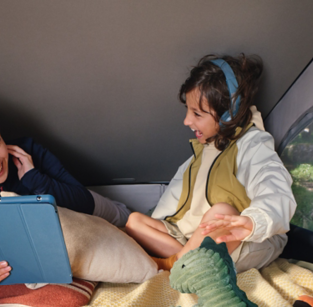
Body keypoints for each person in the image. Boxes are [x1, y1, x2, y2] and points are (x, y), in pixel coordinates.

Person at [0, 78, 130, 289]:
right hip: (59, 236)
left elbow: (84, 202)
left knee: (125, 219)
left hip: (83, 209)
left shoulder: (29, 149)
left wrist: (34, 179)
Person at [125, 54, 296, 272]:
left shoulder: (253, 144)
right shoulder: (203, 151)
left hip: (243, 238)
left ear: (227, 114)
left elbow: (276, 191)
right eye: (188, 111)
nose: (187, 121)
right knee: (135, 221)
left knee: (221, 211)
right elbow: (171, 205)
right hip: (194, 236)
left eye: (196, 113)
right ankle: (185, 259)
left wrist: (254, 222)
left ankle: (179, 264)